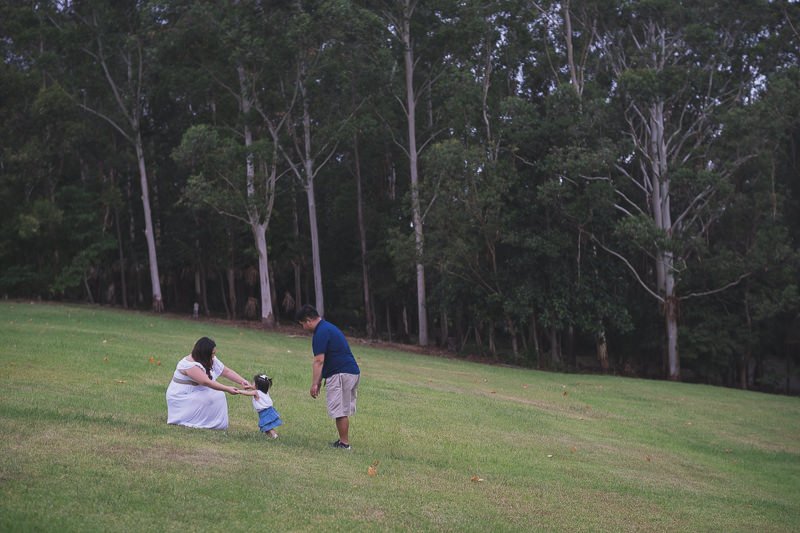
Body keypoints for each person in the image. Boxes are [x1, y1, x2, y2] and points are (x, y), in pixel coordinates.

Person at [295, 304, 360, 449]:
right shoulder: (327, 327)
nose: (303, 328)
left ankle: (344, 444)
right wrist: (318, 382)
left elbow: (319, 361)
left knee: (339, 410)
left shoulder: (321, 333)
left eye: (302, 325)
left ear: (308, 320)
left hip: (341, 373)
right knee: (341, 409)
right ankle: (343, 441)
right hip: (349, 371)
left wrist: (314, 384)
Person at [165, 336, 250, 430]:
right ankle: (190, 419)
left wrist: (242, 381)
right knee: (217, 395)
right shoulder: (189, 365)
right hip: (182, 396)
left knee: (217, 396)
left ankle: (210, 421)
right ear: (205, 353)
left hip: (195, 391)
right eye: (212, 353)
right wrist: (227, 389)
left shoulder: (209, 359)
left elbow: (226, 372)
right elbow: (206, 382)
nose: (214, 355)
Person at [237, 373, 283, 438]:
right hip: (270, 410)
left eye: (253, 383)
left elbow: (248, 393)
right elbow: (255, 388)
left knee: (267, 427)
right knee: (266, 427)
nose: (252, 384)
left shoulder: (256, 392)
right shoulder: (264, 391)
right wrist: (249, 386)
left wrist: (239, 391)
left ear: (257, 386)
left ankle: (275, 436)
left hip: (265, 412)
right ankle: (272, 437)